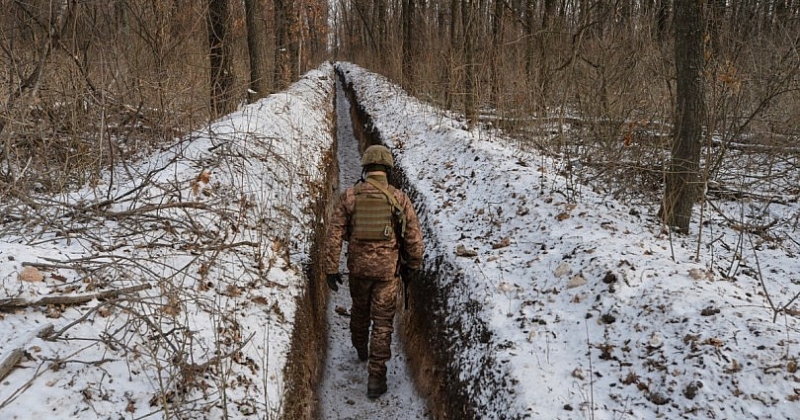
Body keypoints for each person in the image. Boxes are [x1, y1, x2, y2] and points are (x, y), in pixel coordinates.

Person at [323, 144, 424, 399]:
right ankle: (376, 378)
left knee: (359, 310)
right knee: (382, 324)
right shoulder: (399, 198)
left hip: (357, 270)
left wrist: (330, 269)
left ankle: (360, 347)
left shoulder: (349, 196)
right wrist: (413, 266)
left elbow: (334, 234)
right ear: (387, 169)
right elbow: (413, 239)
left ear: (366, 167)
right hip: (387, 273)